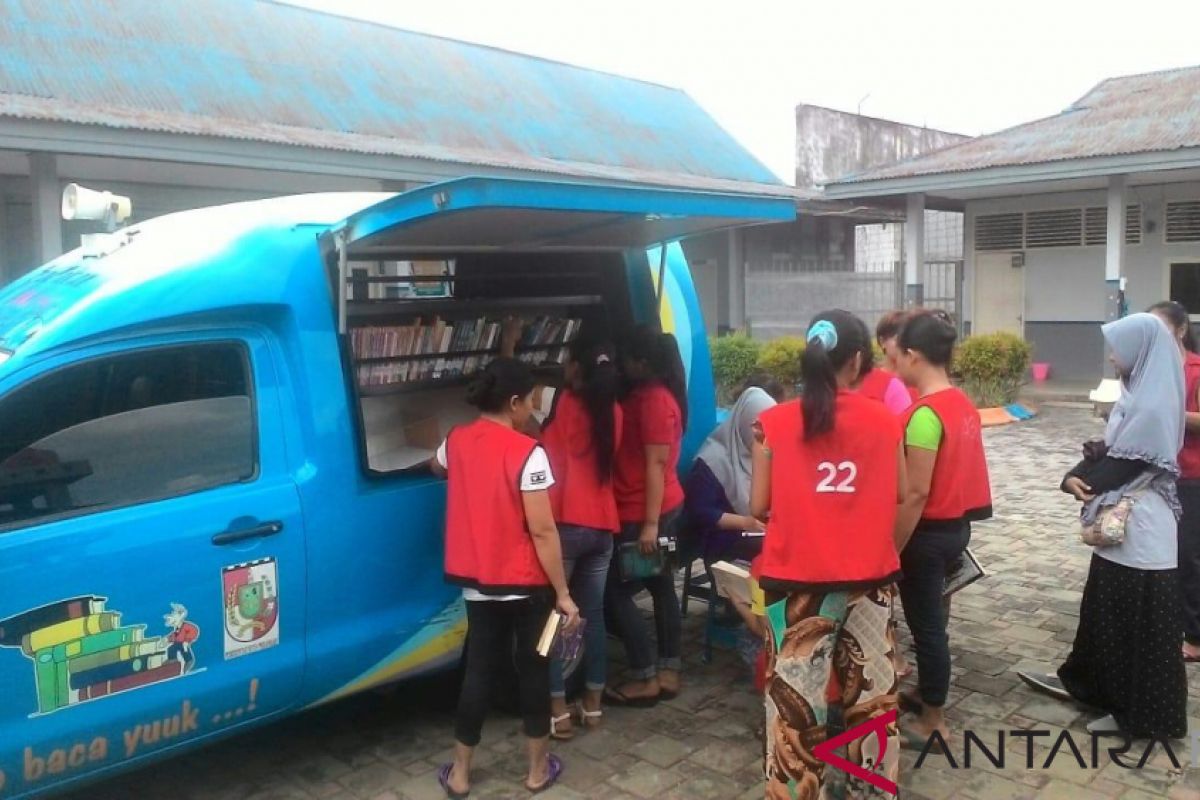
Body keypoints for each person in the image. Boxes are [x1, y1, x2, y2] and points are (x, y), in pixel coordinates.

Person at [751, 310, 906, 797]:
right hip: (869, 580)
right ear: (858, 359)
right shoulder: (886, 421)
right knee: (872, 698)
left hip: (796, 585)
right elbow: (901, 491)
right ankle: (872, 791)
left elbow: (759, 506)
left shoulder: (770, 425)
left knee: (795, 705)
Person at [1020, 313, 1188, 737]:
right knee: (1106, 613)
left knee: (1139, 626)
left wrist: (1081, 482)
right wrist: (1074, 474)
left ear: (1140, 350)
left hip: (1143, 528)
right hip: (1129, 527)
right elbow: (1110, 449)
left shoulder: (1152, 402)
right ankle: (1094, 687)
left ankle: (1146, 718)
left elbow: (1127, 462)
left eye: (1117, 348)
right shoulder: (1141, 392)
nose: (1112, 358)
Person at [430, 358, 580, 797]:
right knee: (533, 671)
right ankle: (536, 771)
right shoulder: (529, 453)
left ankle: (459, 773)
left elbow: (436, 467)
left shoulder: (455, 439)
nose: (533, 408)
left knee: (478, 670)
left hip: (477, 581)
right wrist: (563, 593)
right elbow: (542, 529)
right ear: (514, 402)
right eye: (531, 400)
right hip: (526, 583)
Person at [893, 310, 992, 742]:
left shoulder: (925, 416)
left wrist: (891, 547)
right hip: (957, 528)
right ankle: (925, 692)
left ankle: (933, 721)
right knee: (933, 622)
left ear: (913, 356)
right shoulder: (962, 404)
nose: (892, 366)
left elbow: (915, 493)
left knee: (927, 628)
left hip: (926, 536)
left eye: (895, 356)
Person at [536, 337, 624, 739]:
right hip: (603, 527)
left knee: (555, 619)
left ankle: (558, 710)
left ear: (577, 370)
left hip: (567, 524)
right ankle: (593, 705)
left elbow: (546, 454)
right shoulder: (615, 413)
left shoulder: (566, 406)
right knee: (593, 617)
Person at [603, 327, 688, 707]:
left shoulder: (653, 400)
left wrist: (649, 526)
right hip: (658, 504)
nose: (621, 365)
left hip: (643, 511)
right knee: (660, 584)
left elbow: (655, 463)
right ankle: (668, 669)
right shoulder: (658, 395)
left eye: (626, 359)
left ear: (642, 362)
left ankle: (645, 675)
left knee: (615, 592)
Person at [1148, 300, 1200, 662]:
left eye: (1161, 329)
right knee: (1165, 555)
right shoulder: (1152, 370)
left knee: (1189, 556)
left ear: (1180, 330)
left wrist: (1171, 414)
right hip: (1159, 474)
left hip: (1192, 476)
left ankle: (1195, 637)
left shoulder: (1195, 370)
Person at [683, 385, 777, 565]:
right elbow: (698, 512)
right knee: (774, 549)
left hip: (756, 531)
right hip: (722, 538)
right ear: (744, 421)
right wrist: (744, 522)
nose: (762, 435)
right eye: (758, 428)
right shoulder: (712, 460)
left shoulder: (763, 454)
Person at [857, 310, 915, 413]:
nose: (904, 344)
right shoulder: (868, 379)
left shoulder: (917, 381)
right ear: (882, 341)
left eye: (909, 338)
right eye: (898, 338)